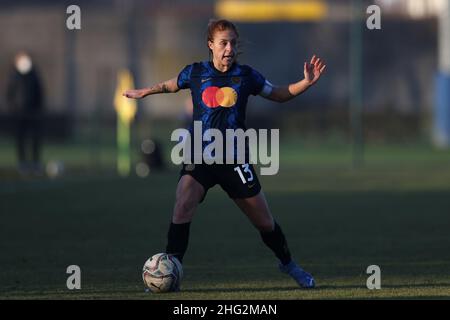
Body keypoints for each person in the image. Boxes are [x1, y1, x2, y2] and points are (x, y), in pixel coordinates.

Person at [123, 19, 326, 289]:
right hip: (201, 157)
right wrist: (146, 92)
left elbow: (277, 94)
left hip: (234, 159)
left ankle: (288, 264)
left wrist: (305, 83)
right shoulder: (195, 73)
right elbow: (171, 84)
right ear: (211, 45)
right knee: (183, 201)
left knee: (264, 222)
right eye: (223, 43)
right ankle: (169, 272)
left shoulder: (246, 76)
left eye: (233, 43)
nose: (229, 48)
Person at [6, 51, 44, 175]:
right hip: (19, 114)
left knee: (35, 139)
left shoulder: (34, 75)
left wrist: (38, 109)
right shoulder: (14, 75)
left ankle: (35, 163)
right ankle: (22, 163)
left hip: (33, 113)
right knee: (20, 139)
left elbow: (40, 93)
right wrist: (13, 108)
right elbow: (9, 94)